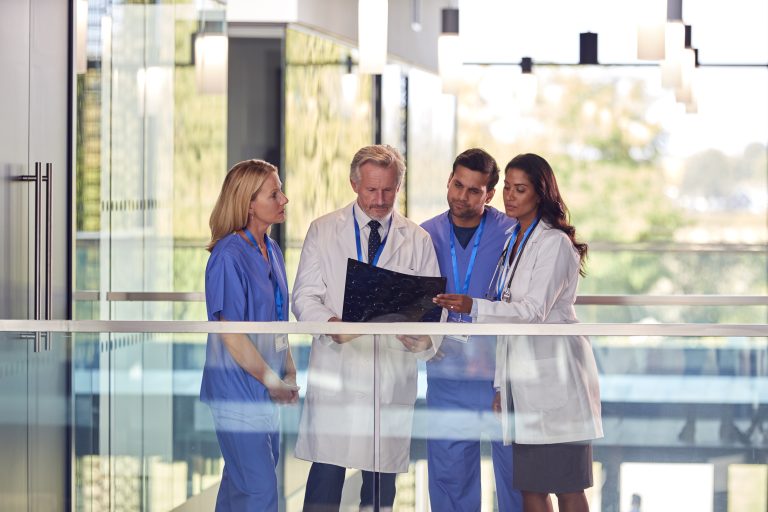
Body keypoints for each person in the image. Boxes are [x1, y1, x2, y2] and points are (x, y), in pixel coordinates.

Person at [434, 153, 603, 512]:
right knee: (530, 489)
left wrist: (472, 306)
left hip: (555, 381)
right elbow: (509, 327)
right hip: (522, 384)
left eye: (520, 189)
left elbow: (531, 312)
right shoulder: (515, 241)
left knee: (567, 486)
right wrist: (500, 386)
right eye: (508, 188)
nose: (510, 196)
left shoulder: (553, 243)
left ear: (539, 194)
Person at [292, 144, 441, 512]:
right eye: (372, 190)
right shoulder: (324, 230)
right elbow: (304, 296)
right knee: (324, 485)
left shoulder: (417, 239)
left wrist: (423, 339)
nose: (380, 199)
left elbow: (431, 308)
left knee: (378, 494)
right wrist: (331, 324)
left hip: (388, 376)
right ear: (354, 184)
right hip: (338, 371)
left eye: (388, 190)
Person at [420, 148, 522, 512]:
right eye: (457, 185)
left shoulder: (512, 234)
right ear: (449, 180)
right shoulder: (424, 234)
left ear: (489, 194)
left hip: (502, 375)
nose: (461, 197)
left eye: (473, 191)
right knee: (450, 480)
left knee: (516, 479)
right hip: (446, 373)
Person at [200, 159, 299, 511]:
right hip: (235, 394)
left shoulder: (272, 250)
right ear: (249, 203)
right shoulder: (228, 256)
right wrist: (272, 379)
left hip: (264, 391)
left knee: (239, 490)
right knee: (260, 492)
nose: (284, 199)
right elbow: (233, 336)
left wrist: (288, 370)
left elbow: (276, 322)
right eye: (275, 194)